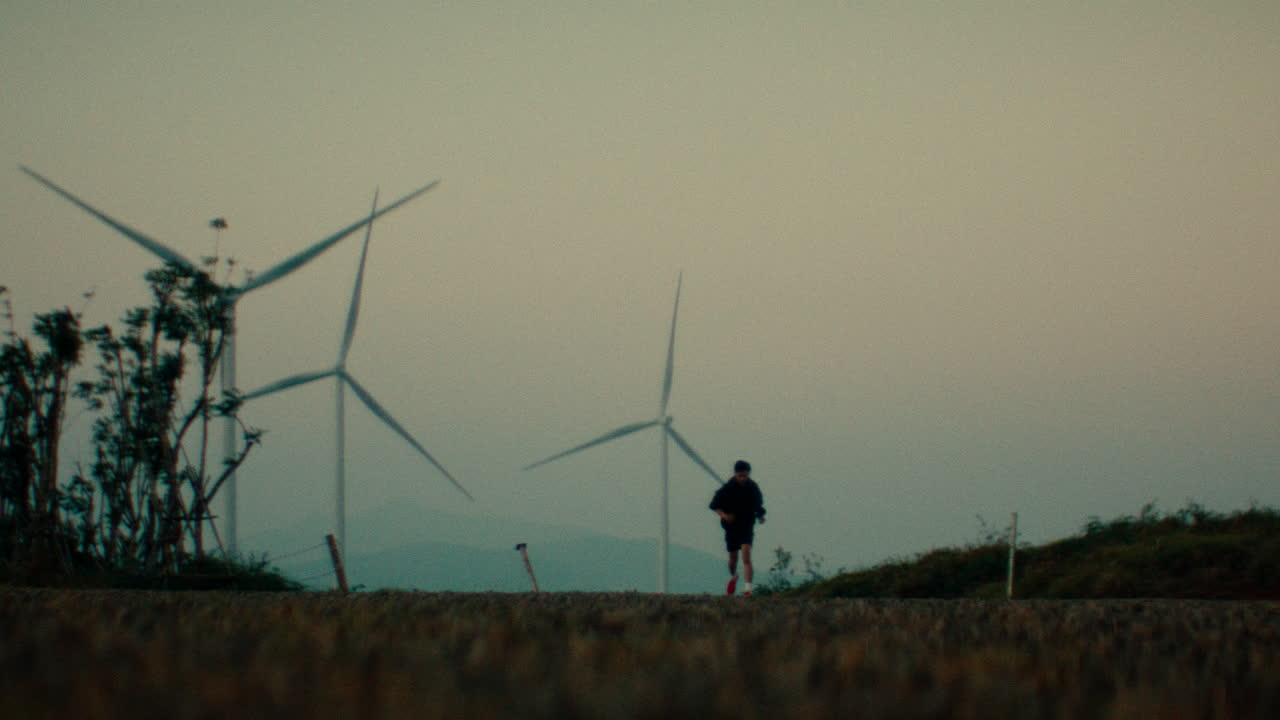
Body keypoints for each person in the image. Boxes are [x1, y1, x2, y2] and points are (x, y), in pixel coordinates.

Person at [709, 459, 766, 595]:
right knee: (733, 558)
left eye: (745, 476)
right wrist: (724, 515)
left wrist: (760, 516)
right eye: (740, 476)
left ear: (748, 474)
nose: (742, 478)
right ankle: (733, 576)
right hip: (731, 526)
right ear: (735, 474)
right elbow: (714, 505)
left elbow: (758, 505)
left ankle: (748, 589)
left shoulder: (753, 488)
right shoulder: (727, 488)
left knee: (746, 555)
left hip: (747, 524)